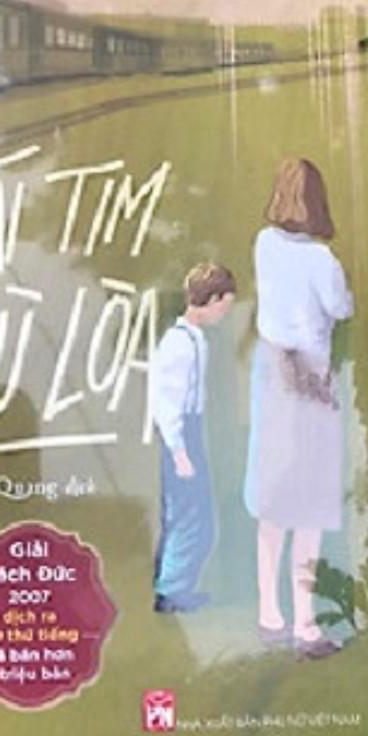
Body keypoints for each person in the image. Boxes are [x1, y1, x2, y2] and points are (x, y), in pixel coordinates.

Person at [243, 159, 353, 658]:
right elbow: (340, 308)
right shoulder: (322, 261)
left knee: (272, 498)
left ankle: (269, 614)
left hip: (269, 369)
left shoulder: (264, 243)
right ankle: (305, 625)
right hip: (307, 375)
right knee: (308, 503)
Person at [150, 262, 237, 614]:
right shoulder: (179, 343)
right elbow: (166, 401)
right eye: (224, 306)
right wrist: (179, 450)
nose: (224, 314)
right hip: (181, 431)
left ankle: (175, 586)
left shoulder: (194, 339)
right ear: (212, 300)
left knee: (194, 512)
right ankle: (171, 590)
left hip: (191, 427)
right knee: (187, 512)